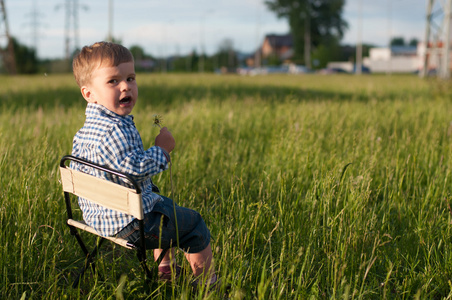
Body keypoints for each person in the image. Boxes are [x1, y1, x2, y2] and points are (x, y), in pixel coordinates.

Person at [70, 41, 217, 288]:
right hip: (129, 223)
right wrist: (162, 150)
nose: (126, 86)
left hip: (98, 216)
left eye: (131, 77)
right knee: (193, 224)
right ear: (89, 93)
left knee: (158, 199)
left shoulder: (84, 132)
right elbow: (134, 170)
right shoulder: (115, 130)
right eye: (113, 81)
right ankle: (208, 286)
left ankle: (165, 269)